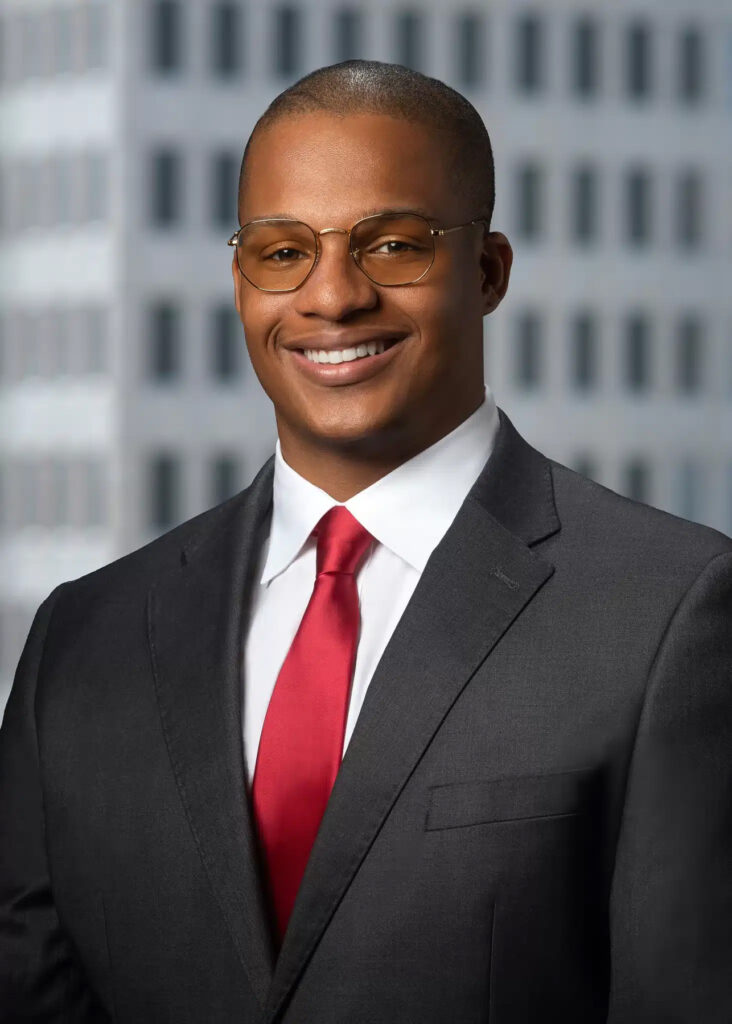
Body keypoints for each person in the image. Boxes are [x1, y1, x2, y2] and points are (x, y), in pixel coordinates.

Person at [1, 60, 731, 1024]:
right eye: (281, 252)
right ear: (239, 282)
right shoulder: (81, 637)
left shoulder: (670, 612)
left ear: (489, 271)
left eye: (393, 246)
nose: (333, 297)